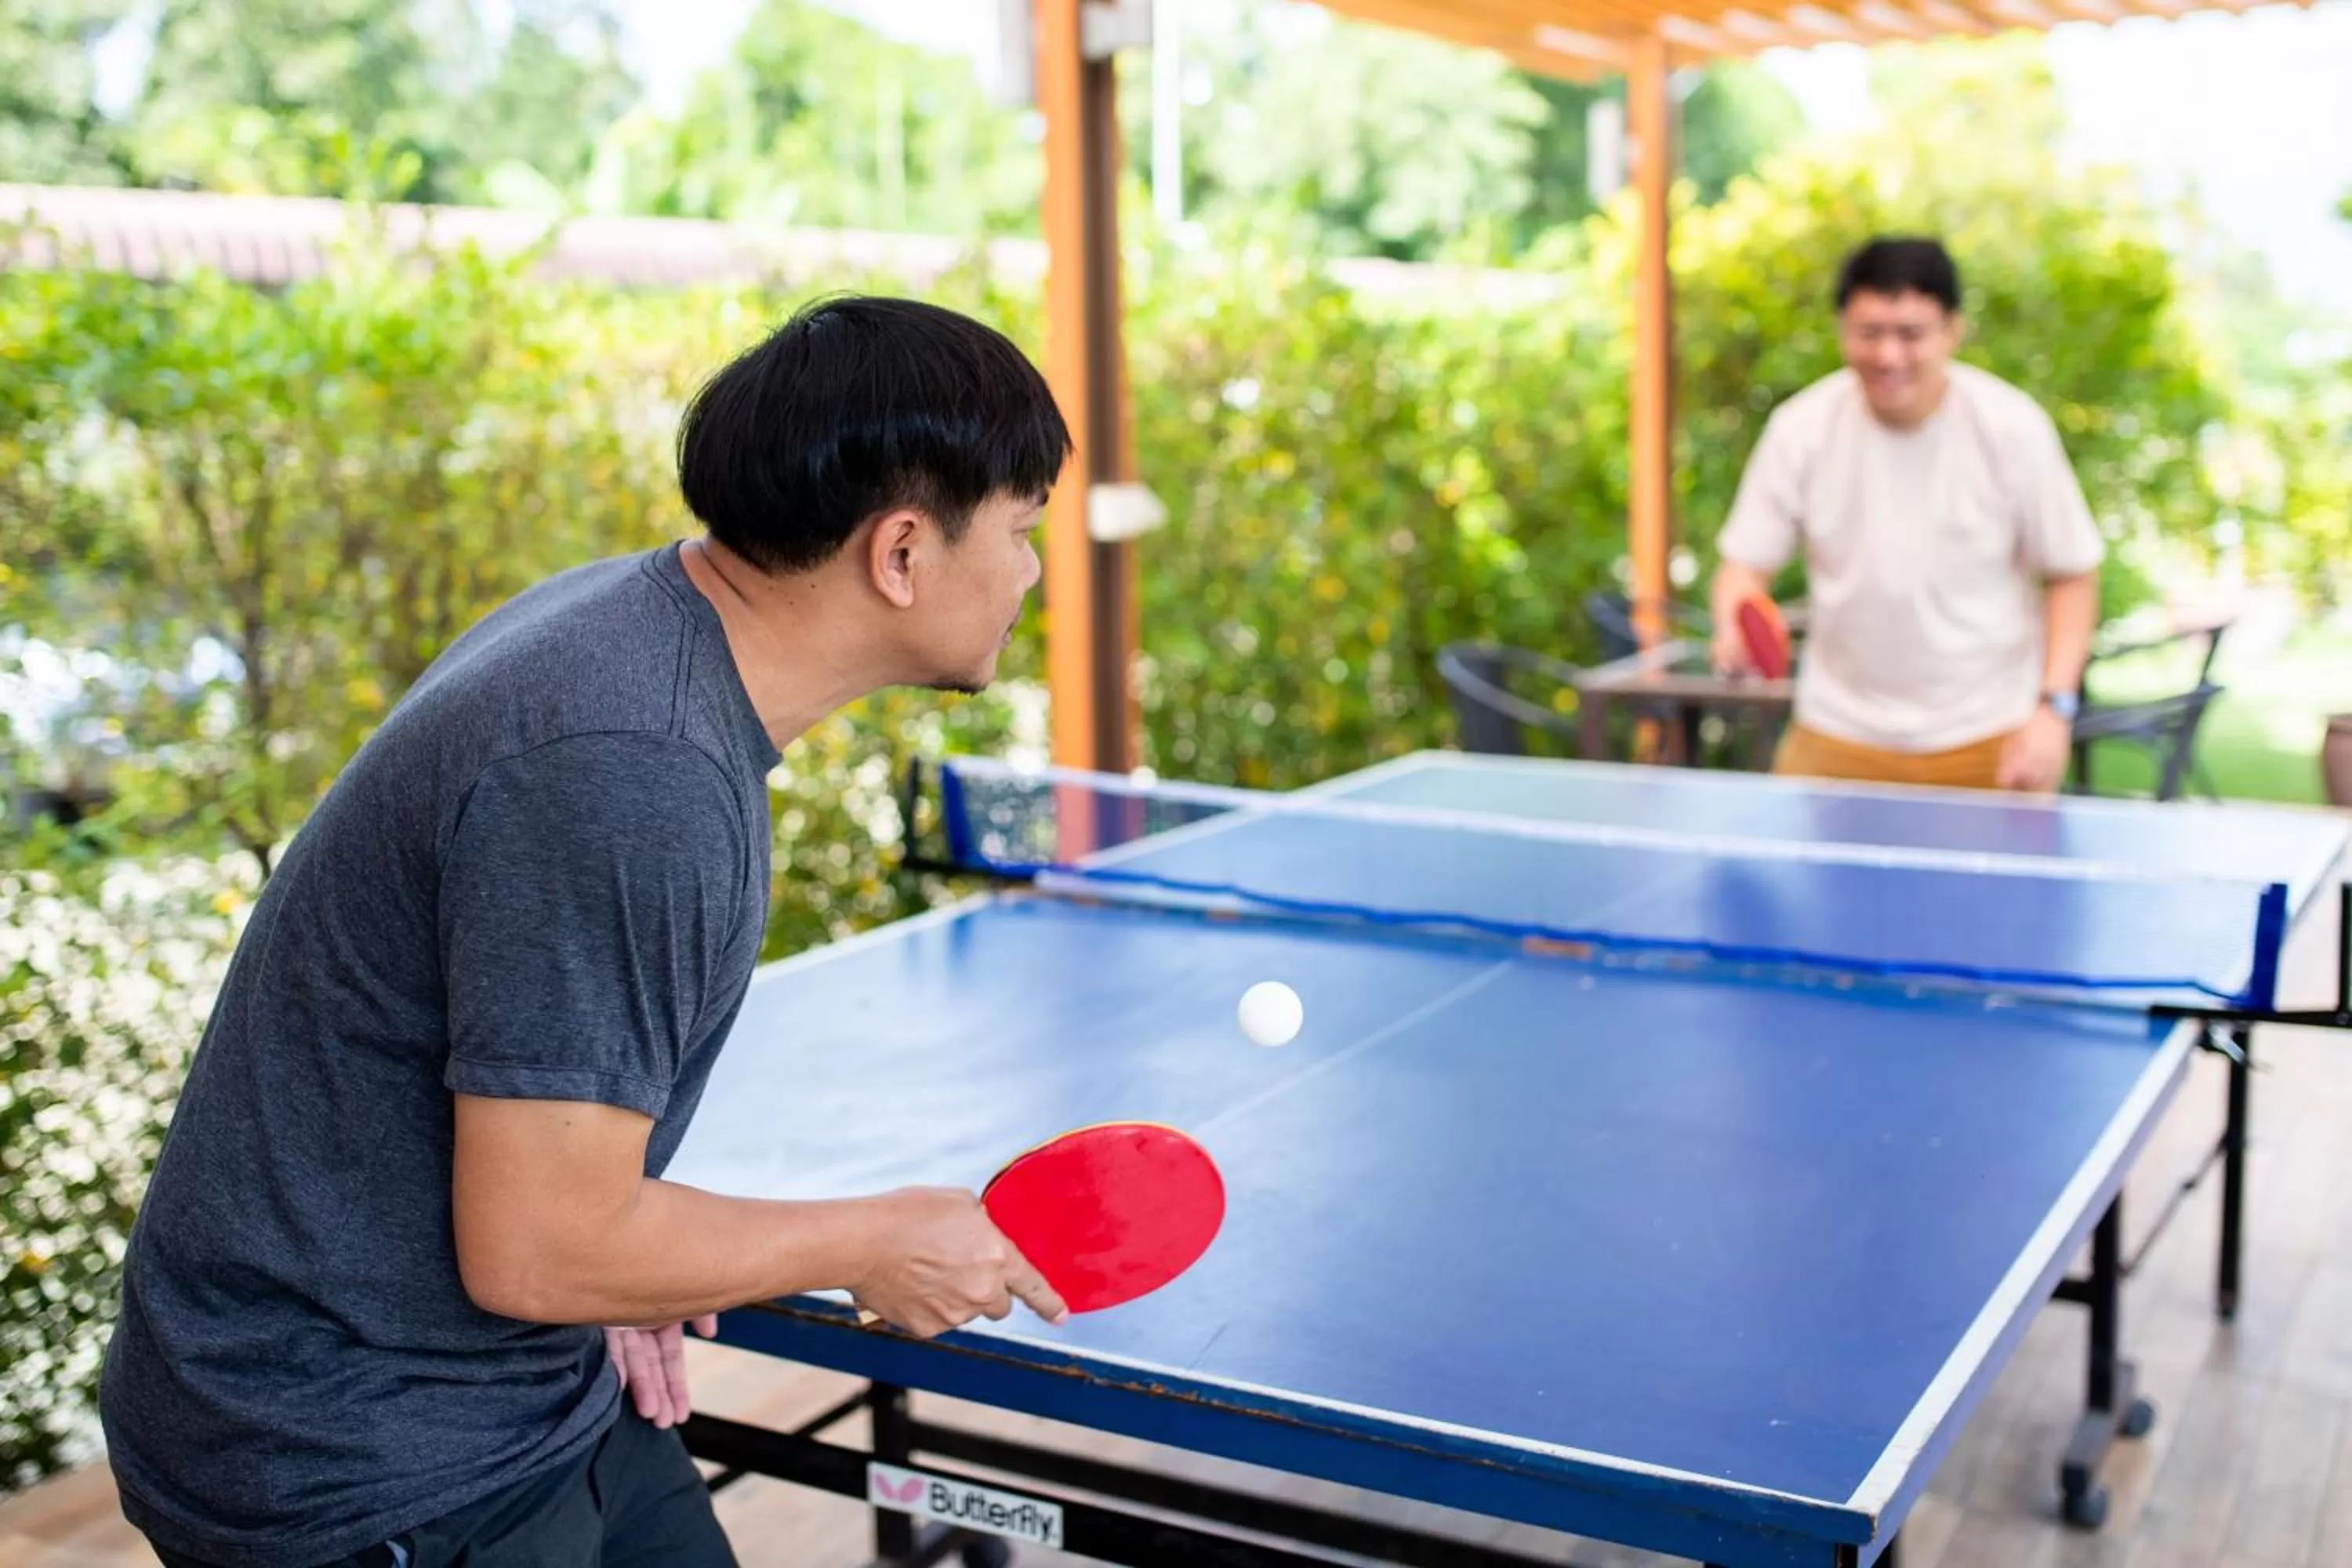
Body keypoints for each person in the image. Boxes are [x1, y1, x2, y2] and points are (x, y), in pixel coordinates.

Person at [97, 295, 1075, 1568]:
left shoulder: (638, 627)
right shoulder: (634, 766)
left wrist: (632, 1263)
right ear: (901, 554)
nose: (1034, 573)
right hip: (348, 1449)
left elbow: (553, 1206)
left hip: (506, 1380)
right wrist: (869, 1240)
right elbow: (538, 1249)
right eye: (1021, 531)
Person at [1708, 236, 2103, 793]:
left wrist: (2053, 710)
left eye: (1911, 334)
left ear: (1952, 331)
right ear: (1843, 329)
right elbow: (1744, 567)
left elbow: (2072, 576)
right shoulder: (1800, 429)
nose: (1889, 356)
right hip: (1835, 734)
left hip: (1990, 734)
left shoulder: (2012, 428)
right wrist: (1733, 621)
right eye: (1870, 333)